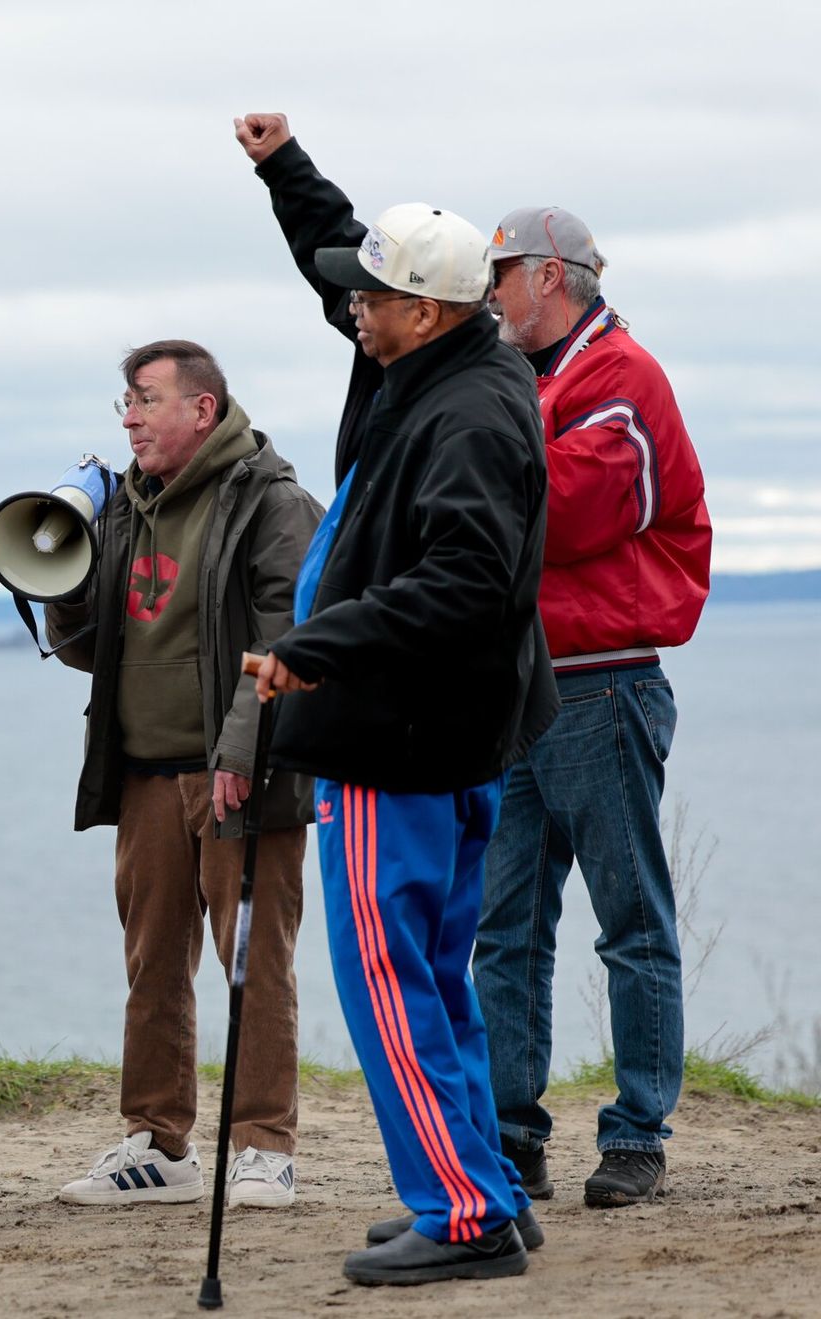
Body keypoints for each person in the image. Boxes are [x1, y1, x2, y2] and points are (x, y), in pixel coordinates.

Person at [236, 112, 559, 1286]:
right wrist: (282, 168)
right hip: (441, 734)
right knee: (429, 972)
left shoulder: (465, 413)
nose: (350, 312)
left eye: (369, 301)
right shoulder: (434, 356)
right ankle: (483, 1185)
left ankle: (462, 1211)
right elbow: (338, 256)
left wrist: (315, 645)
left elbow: (464, 582)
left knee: (387, 975)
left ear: (421, 310)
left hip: (398, 740)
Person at [42, 340, 323, 1210]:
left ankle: (261, 1143)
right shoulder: (123, 509)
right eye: (123, 403)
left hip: (239, 769)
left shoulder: (271, 502)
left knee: (254, 961)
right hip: (146, 774)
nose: (127, 417)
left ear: (201, 410)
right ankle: (159, 1143)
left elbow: (289, 633)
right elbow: (93, 646)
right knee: (153, 962)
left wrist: (243, 748)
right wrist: (58, 572)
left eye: (145, 400)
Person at [474, 207, 711, 1207]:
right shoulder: (536, 381)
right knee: (503, 926)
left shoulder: (618, 375)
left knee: (628, 918)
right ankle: (509, 1132)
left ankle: (635, 1133)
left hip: (602, 677)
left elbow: (566, 513)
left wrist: (470, 467)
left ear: (547, 277)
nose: (486, 295)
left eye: (497, 276)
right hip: (524, 684)